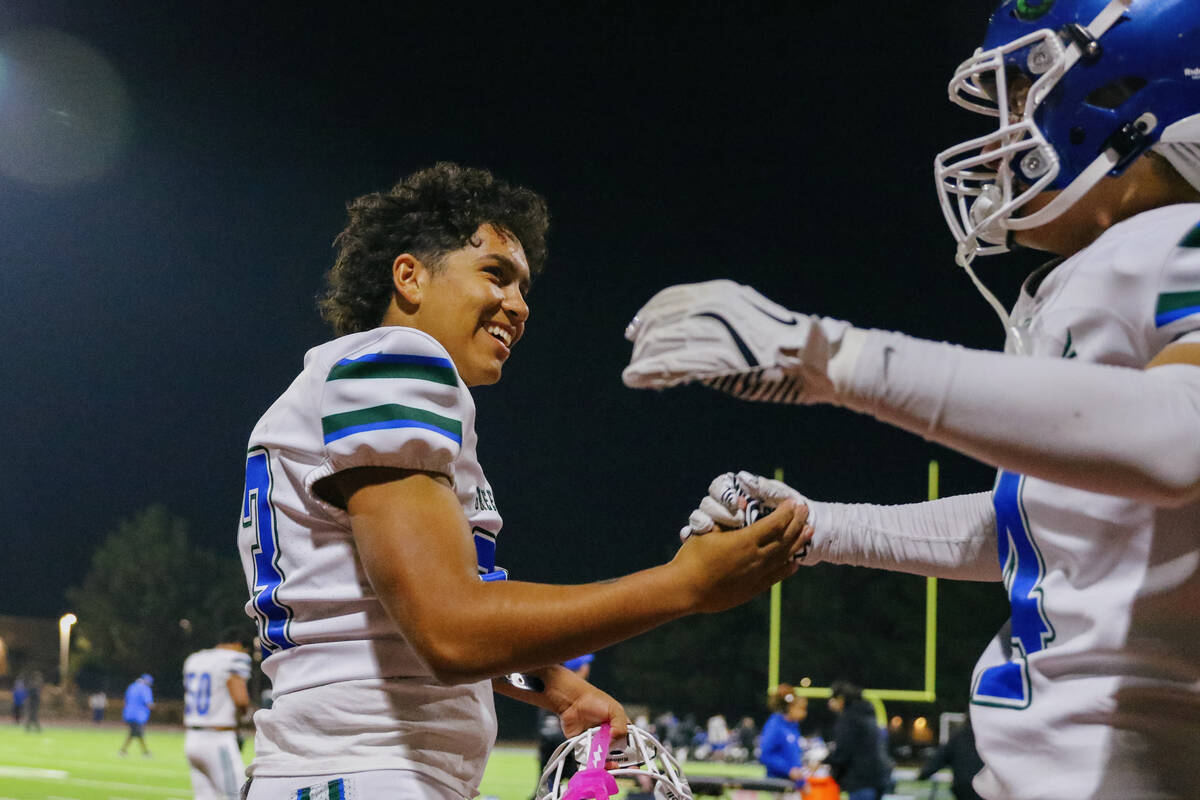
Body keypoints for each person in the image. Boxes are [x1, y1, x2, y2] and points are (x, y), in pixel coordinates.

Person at [622, 2, 1200, 798]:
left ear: (1132, 96)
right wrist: (820, 526)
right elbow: (1039, 525)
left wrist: (829, 358)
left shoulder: (1183, 238)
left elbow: (1180, 435)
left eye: (1029, 91)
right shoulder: (1105, 270)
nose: (1005, 130)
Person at [235, 163, 808, 800]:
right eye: (495, 274)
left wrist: (558, 684)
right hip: (367, 772)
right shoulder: (396, 360)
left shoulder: (354, 379)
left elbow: (390, 618)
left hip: (349, 771)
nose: (519, 304)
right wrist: (685, 585)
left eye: (524, 286)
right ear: (410, 275)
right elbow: (450, 630)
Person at [183, 627, 253, 800]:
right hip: (217, 739)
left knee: (205, 797)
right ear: (238, 645)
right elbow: (241, 700)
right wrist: (245, 716)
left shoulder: (195, 659)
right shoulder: (234, 659)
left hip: (192, 738)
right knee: (237, 796)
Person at [533, 654, 593, 791]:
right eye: (584, 665)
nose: (587, 668)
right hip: (556, 757)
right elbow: (549, 732)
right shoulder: (558, 695)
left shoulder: (584, 695)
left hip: (573, 756)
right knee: (548, 792)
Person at [822, 682, 892, 800]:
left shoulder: (849, 719)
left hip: (861, 781)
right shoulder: (867, 714)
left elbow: (843, 752)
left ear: (840, 699)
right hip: (878, 778)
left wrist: (824, 761)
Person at [918, 716, 984, 800]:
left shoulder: (957, 738)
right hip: (984, 788)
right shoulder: (991, 738)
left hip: (963, 788)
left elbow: (938, 760)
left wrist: (922, 775)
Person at [758, 683, 808, 788]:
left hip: (792, 785)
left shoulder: (793, 727)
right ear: (790, 707)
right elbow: (765, 755)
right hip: (777, 784)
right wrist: (788, 770)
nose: (804, 713)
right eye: (801, 709)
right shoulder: (775, 725)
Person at [119, 673, 154, 756]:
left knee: (134, 733)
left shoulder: (131, 687)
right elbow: (148, 703)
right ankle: (145, 752)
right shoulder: (145, 688)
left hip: (128, 714)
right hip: (139, 715)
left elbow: (125, 700)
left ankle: (123, 751)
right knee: (139, 733)